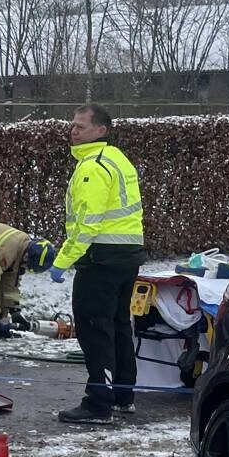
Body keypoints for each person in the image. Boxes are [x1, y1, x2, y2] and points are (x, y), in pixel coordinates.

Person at [53, 104, 146, 425]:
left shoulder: (93, 167)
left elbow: (87, 225)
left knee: (95, 330)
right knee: (119, 326)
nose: (73, 131)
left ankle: (98, 401)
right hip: (127, 256)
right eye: (73, 125)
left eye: (81, 126)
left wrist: (63, 261)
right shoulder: (118, 160)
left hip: (100, 259)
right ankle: (123, 395)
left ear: (101, 131)